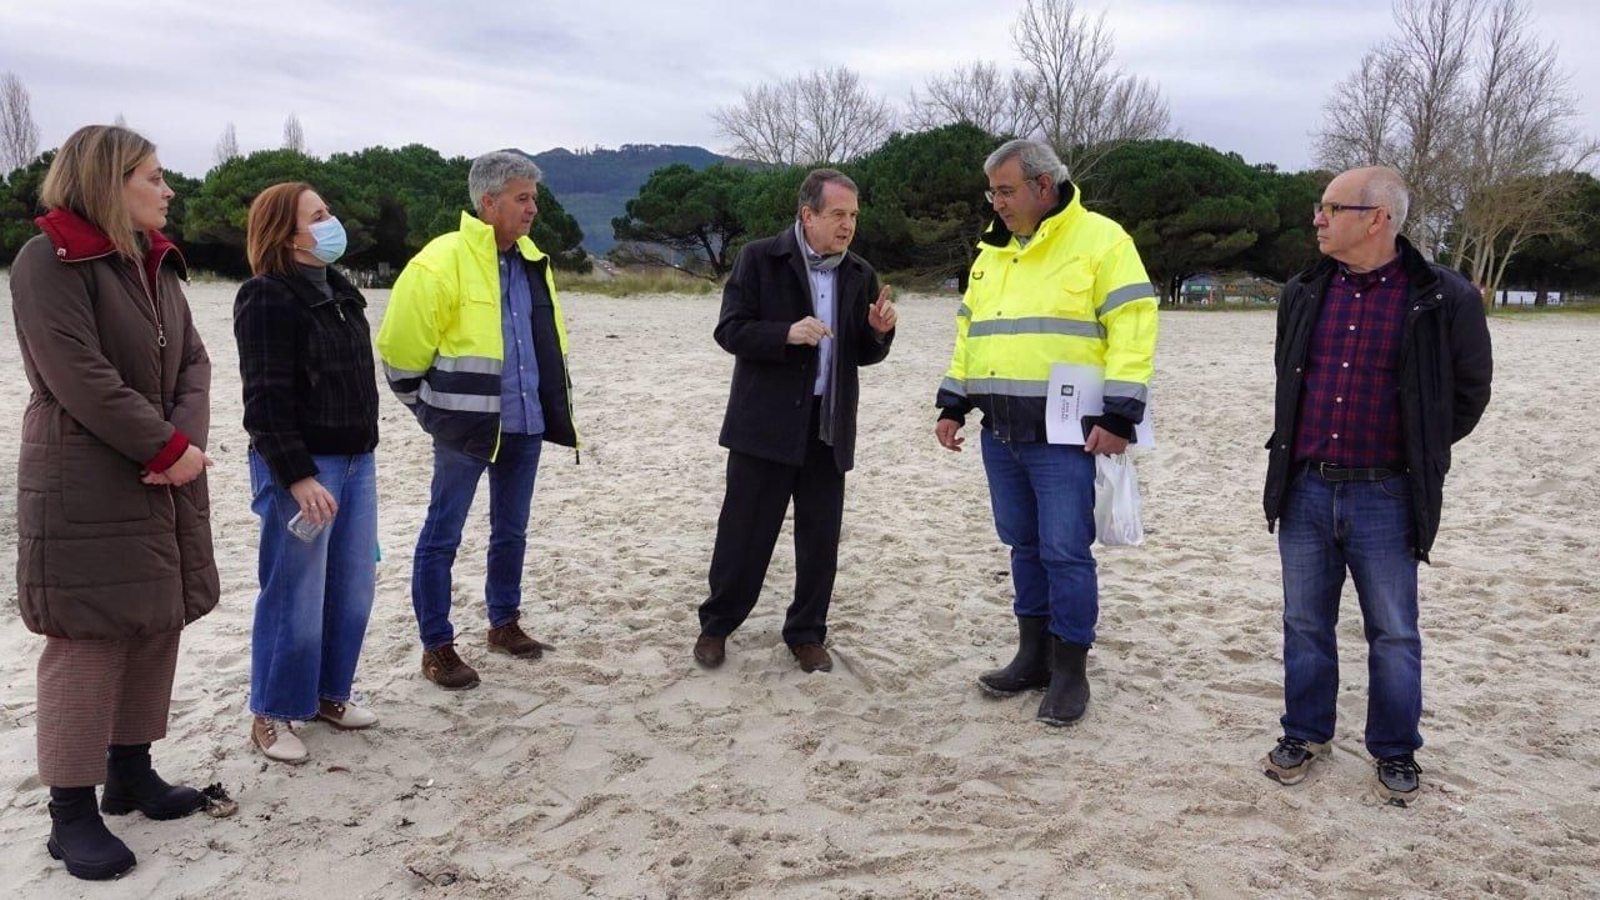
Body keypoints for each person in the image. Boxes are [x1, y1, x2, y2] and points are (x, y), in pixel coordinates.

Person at [9, 124, 219, 880]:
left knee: (155, 619)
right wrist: (165, 448)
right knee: (88, 637)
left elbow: (193, 362)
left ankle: (131, 771)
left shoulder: (153, 262)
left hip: (164, 475)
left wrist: (182, 447)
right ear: (107, 180)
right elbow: (79, 376)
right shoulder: (48, 260)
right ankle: (71, 812)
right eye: (153, 177)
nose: (169, 190)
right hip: (85, 478)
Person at [1260, 166, 1492, 806]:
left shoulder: (1444, 297)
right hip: (1305, 487)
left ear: (1378, 219)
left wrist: (1420, 447)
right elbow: (1288, 374)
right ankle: (1305, 733)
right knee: (1304, 621)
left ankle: (1394, 748)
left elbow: (1469, 394)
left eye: (1333, 208)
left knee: (1393, 630)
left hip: (1387, 493)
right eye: (1321, 206)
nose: (1319, 218)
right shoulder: (1303, 291)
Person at [935, 139, 1157, 727]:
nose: (996, 203)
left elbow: (1134, 326)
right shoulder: (991, 252)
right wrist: (954, 401)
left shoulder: (1102, 241)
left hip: (1066, 438)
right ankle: (1032, 656)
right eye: (992, 192)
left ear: (1042, 185)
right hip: (1000, 432)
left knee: (1065, 551)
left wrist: (1120, 415)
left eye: (1005, 191)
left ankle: (1070, 670)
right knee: (1023, 546)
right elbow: (969, 332)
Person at [376, 151, 578, 690]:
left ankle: (503, 623)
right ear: (488, 202)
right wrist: (432, 411)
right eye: (522, 198)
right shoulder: (441, 260)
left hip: (525, 422)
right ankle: (437, 646)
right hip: (463, 429)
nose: (533, 208)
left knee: (511, 531)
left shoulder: (533, 261)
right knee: (442, 535)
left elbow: (540, 341)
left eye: (534, 198)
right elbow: (398, 353)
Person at [694, 168, 897, 674]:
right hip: (763, 424)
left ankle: (806, 633)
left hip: (827, 426)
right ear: (808, 215)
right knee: (744, 533)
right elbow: (729, 330)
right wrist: (785, 333)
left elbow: (862, 354)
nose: (848, 225)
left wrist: (876, 332)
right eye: (838, 215)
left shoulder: (860, 273)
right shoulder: (760, 258)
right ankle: (716, 626)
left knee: (819, 540)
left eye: (853, 216)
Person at [234, 182, 381, 763]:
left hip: (357, 460)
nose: (330, 222)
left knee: (352, 588)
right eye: (316, 216)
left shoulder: (341, 292)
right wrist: (297, 475)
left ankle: (328, 694)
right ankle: (271, 712)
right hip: (304, 467)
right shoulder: (266, 296)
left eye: (328, 212)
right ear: (286, 235)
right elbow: (264, 400)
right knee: (294, 593)